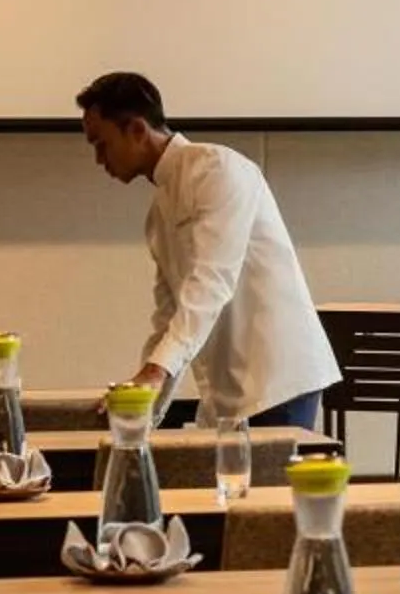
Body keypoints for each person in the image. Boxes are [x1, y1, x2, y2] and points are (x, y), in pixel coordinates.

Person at [77, 71, 340, 432]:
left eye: (101, 144)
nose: (98, 159)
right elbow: (168, 318)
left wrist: (154, 373)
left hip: (279, 380)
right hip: (230, 393)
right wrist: (143, 409)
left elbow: (210, 283)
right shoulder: (158, 214)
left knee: (268, 491)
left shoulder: (219, 169)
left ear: (137, 130)